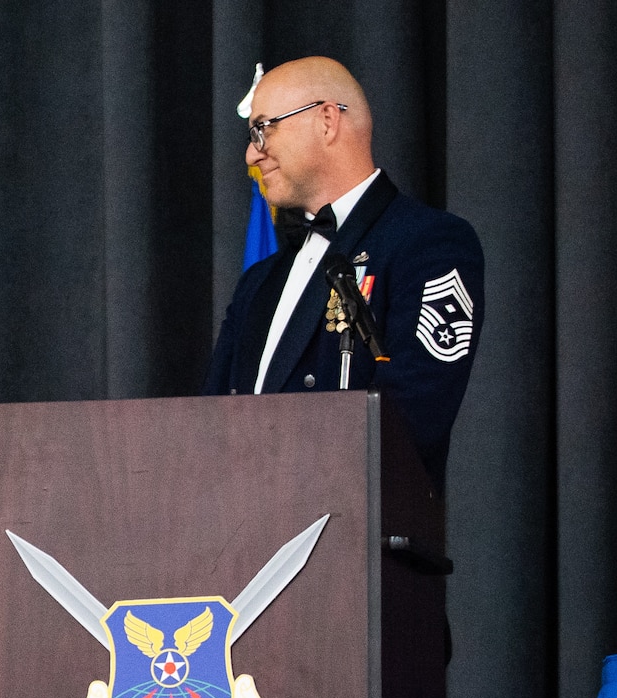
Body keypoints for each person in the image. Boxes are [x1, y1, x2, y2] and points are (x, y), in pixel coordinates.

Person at [204, 56, 484, 488]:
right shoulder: (258, 283)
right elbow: (207, 423)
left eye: (263, 128)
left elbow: (412, 421)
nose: (251, 152)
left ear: (327, 120)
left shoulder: (430, 243)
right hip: (244, 540)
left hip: (355, 535)